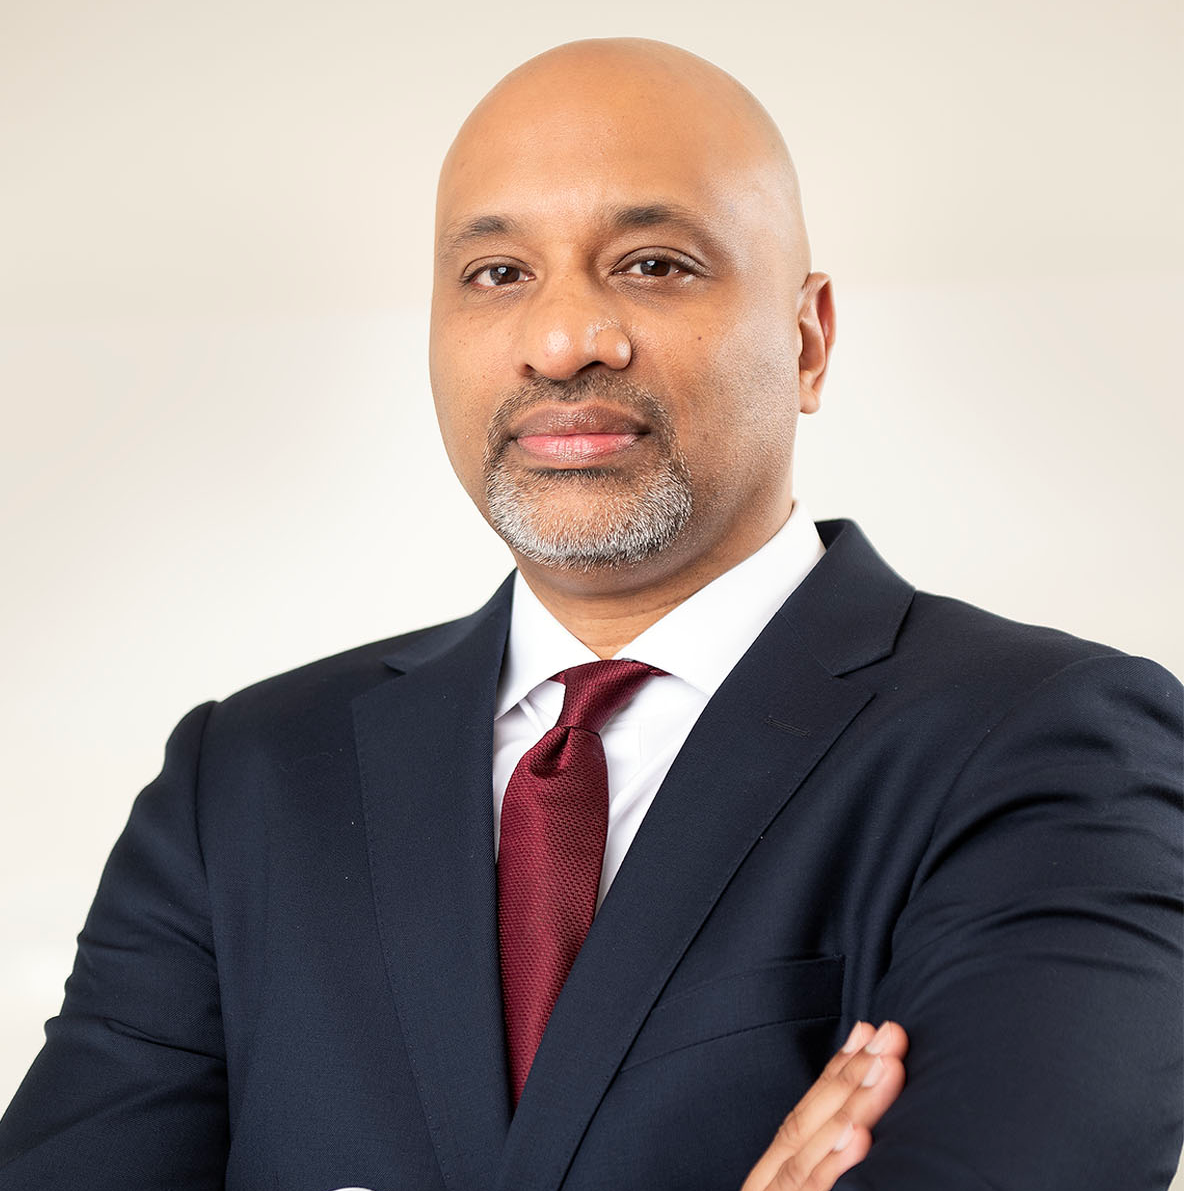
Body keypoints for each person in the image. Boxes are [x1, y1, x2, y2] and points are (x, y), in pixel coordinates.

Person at [0, 37, 1182, 1191]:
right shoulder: (245, 780)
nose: (564, 343)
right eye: (497, 275)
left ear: (809, 340)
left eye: (655, 264)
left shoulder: (1058, 749)